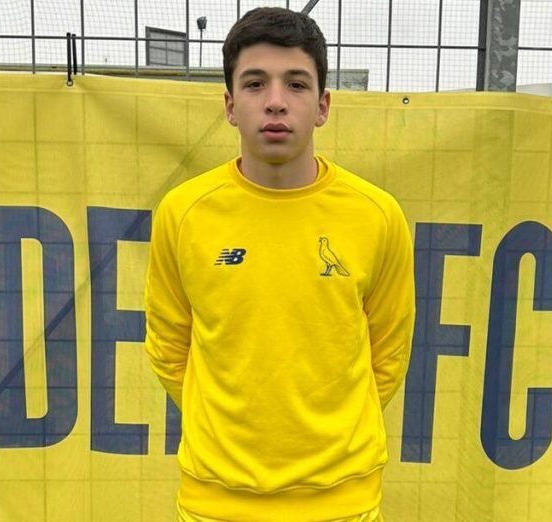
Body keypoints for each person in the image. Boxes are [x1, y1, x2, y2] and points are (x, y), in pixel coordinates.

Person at [144, 7, 415, 522]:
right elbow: (169, 345)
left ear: (322, 105)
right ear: (230, 105)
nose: (275, 101)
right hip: (214, 502)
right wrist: (229, 437)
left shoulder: (377, 215)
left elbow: (389, 351)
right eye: (254, 84)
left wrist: (329, 438)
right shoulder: (183, 213)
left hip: (343, 502)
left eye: (295, 84)